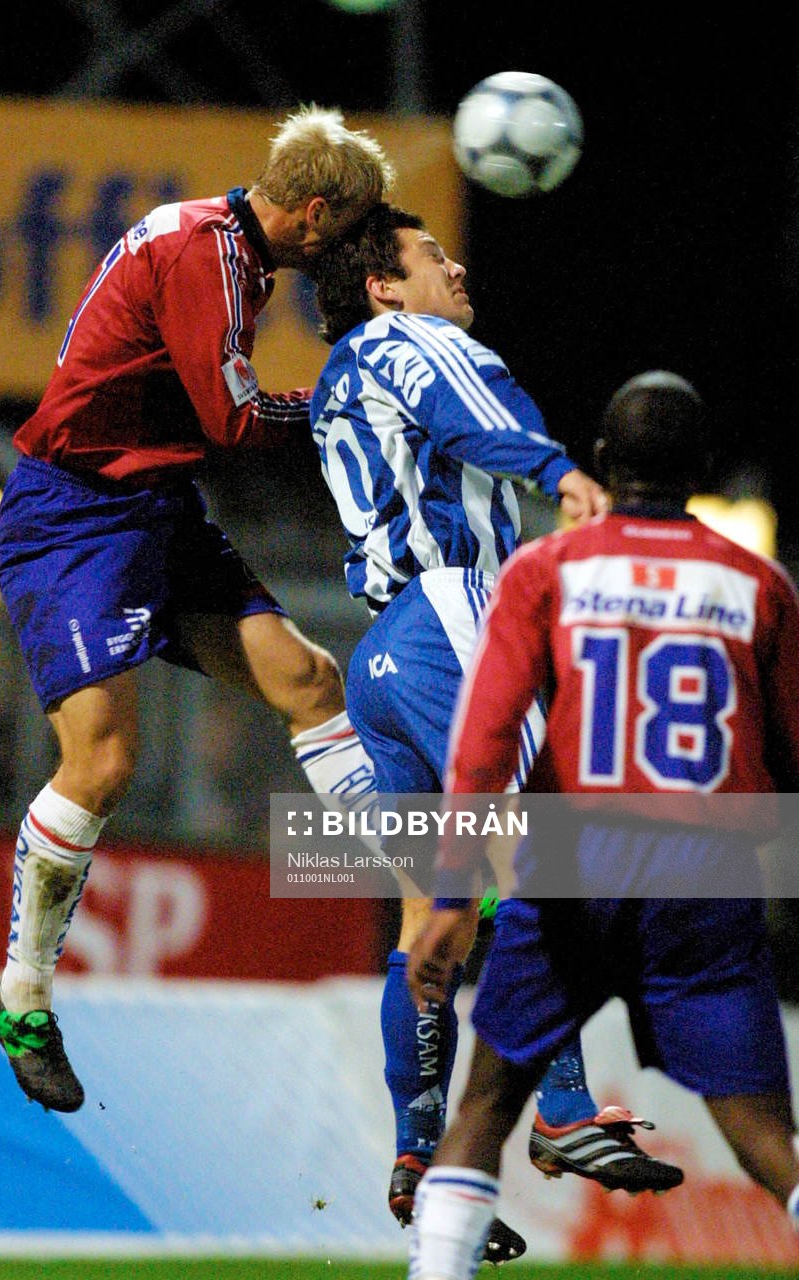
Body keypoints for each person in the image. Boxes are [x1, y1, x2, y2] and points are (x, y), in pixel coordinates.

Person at [0, 105, 395, 1113]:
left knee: (307, 677)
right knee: (104, 760)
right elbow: (236, 416)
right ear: (310, 214)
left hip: (150, 506)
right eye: (343, 237)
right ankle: (23, 990)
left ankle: (420, 873)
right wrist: (350, 394)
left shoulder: (224, 244)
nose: (343, 258)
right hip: (74, 514)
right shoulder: (209, 251)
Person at [310, 208, 681, 1260]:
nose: (453, 264)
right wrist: (562, 473)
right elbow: (464, 400)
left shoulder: (340, 373)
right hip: (450, 609)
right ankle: (562, 1103)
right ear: (383, 286)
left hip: (381, 649)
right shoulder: (408, 342)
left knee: (429, 914)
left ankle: (418, 1145)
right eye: (430, 257)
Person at [407, 371, 799, 1279]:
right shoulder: (758, 585)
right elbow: (787, 752)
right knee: (762, 1133)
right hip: (704, 879)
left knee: (486, 1105)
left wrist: (455, 892)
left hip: (570, 868)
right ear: (700, 467)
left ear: (601, 463)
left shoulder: (546, 571)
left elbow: (484, 742)